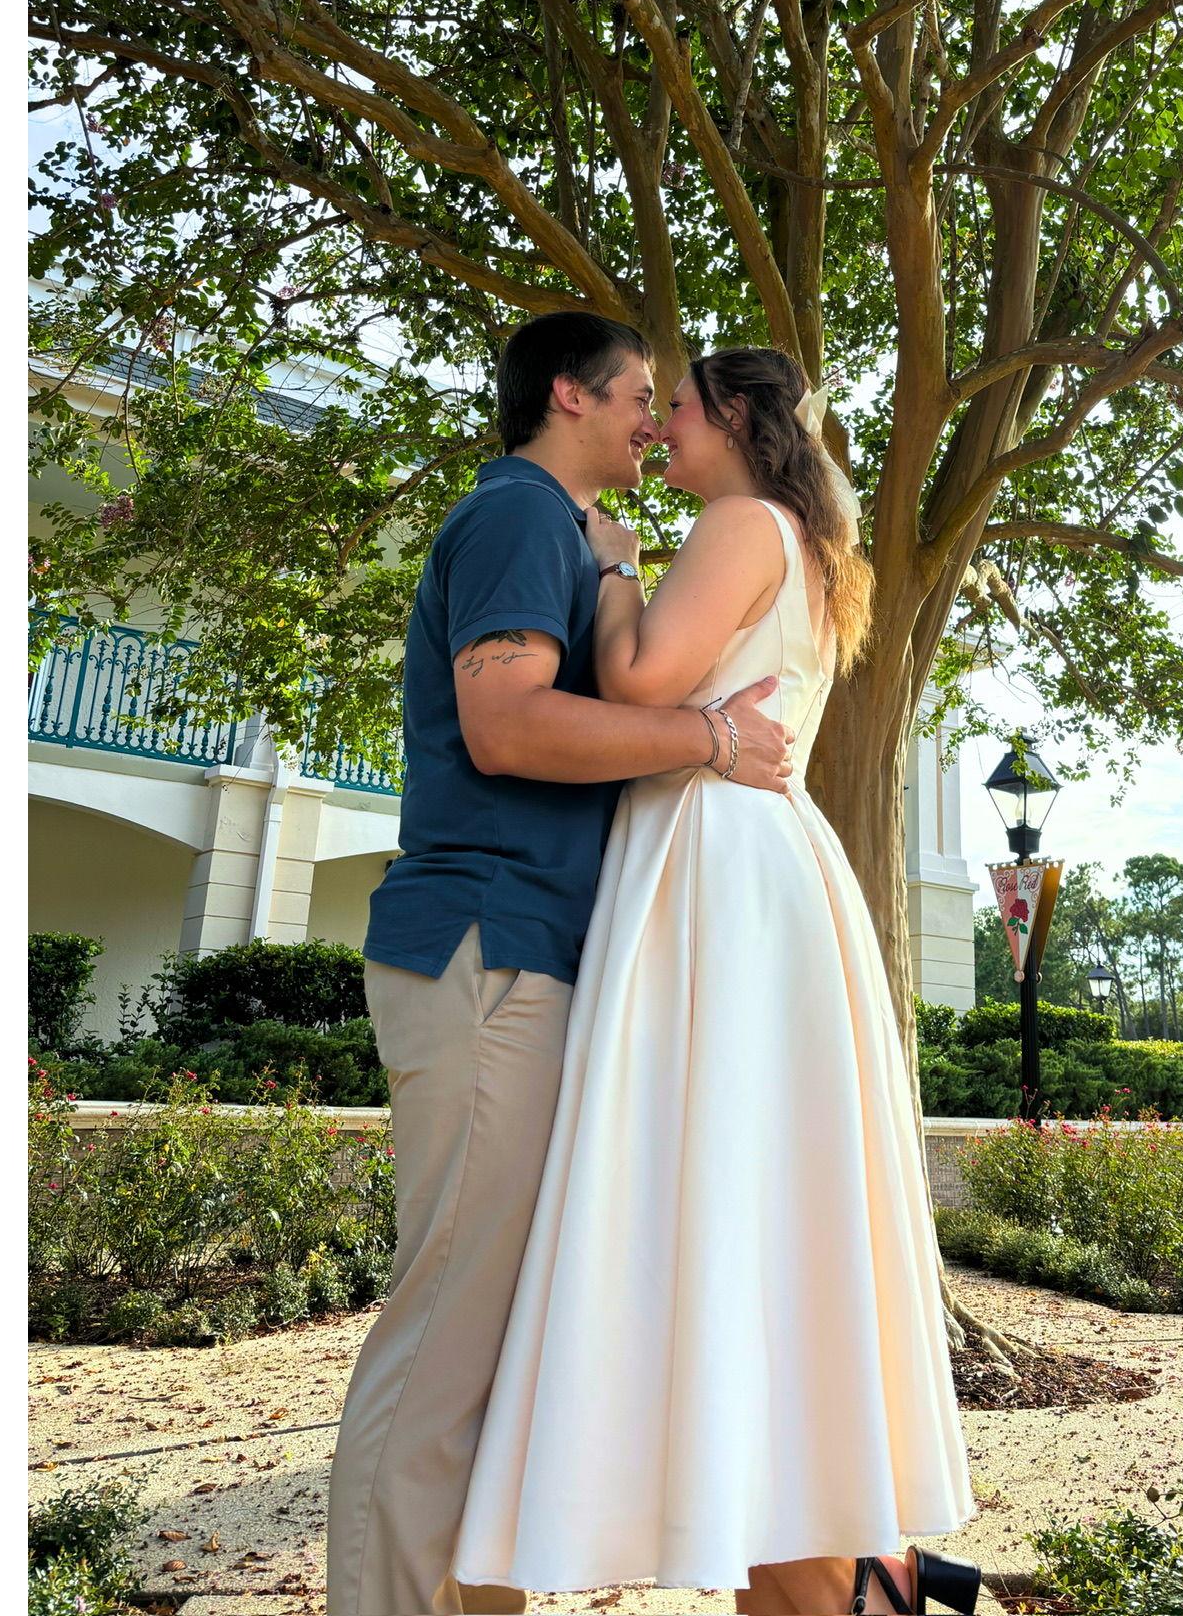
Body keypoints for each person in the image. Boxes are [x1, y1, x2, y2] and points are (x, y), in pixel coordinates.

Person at [453, 348, 981, 1616]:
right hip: (752, 854)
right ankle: (844, 1561)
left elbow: (637, 679)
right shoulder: (798, 539)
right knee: (751, 1200)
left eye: (676, 407)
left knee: (701, 1183)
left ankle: (844, 1570)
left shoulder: (739, 522)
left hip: (712, 860)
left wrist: (616, 565)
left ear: (734, 417)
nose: (659, 428)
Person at [325, 313, 798, 1616]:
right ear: (566, 394)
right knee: (445, 1348)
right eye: (639, 393)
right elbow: (505, 723)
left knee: (506, 1358)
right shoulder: (518, 516)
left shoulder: (568, 535)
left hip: (538, 960)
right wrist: (707, 740)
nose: (655, 419)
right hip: (489, 950)